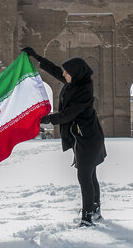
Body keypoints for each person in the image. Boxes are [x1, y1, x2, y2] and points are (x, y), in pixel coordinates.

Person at [22, 47, 107, 227]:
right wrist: (36, 56)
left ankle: (87, 218)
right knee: (90, 175)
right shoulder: (75, 81)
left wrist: (45, 119)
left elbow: (68, 114)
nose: (64, 75)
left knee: (85, 177)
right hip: (84, 136)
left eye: (67, 73)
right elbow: (55, 71)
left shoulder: (83, 90)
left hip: (89, 138)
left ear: (75, 73)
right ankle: (95, 211)